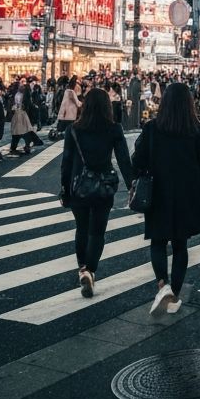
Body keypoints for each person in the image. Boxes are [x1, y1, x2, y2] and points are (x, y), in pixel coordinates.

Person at [131, 82, 200, 315]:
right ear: (188, 103)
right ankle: (174, 294)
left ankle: (162, 284)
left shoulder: (153, 128)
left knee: (158, 241)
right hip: (187, 191)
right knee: (180, 244)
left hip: (159, 190)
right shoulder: (196, 129)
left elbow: (138, 161)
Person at [59, 88, 134, 298]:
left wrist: (64, 190)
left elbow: (66, 163)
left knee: (81, 228)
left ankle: (83, 268)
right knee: (97, 231)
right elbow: (123, 161)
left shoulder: (73, 130)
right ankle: (91, 270)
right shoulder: (114, 129)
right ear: (106, 106)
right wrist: (131, 187)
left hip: (78, 187)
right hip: (103, 187)